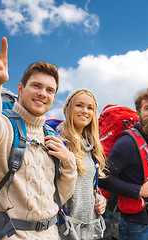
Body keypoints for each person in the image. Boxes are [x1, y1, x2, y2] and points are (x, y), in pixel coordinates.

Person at [0, 37, 77, 239]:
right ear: (20, 89)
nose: (43, 93)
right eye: (36, 86)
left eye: (50, 90)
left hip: (51, 234)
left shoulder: (50, 135)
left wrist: (69, 163)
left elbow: (60, 196)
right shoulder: (2, 126)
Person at [99, 88, 148, 240]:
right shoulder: (127, 142)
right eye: (147, 108)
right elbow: (103, 179)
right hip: (136, 226)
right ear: (138, 114)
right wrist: (138, 190)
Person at [55, 89, 107, 239]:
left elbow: (89, 185)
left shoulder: (92, 146)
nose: (85, 111)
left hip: (89, 229)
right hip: (65, 230)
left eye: (90, 107)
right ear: (68, 108)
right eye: (79, 105)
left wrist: (100, 199)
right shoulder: (58, 142)